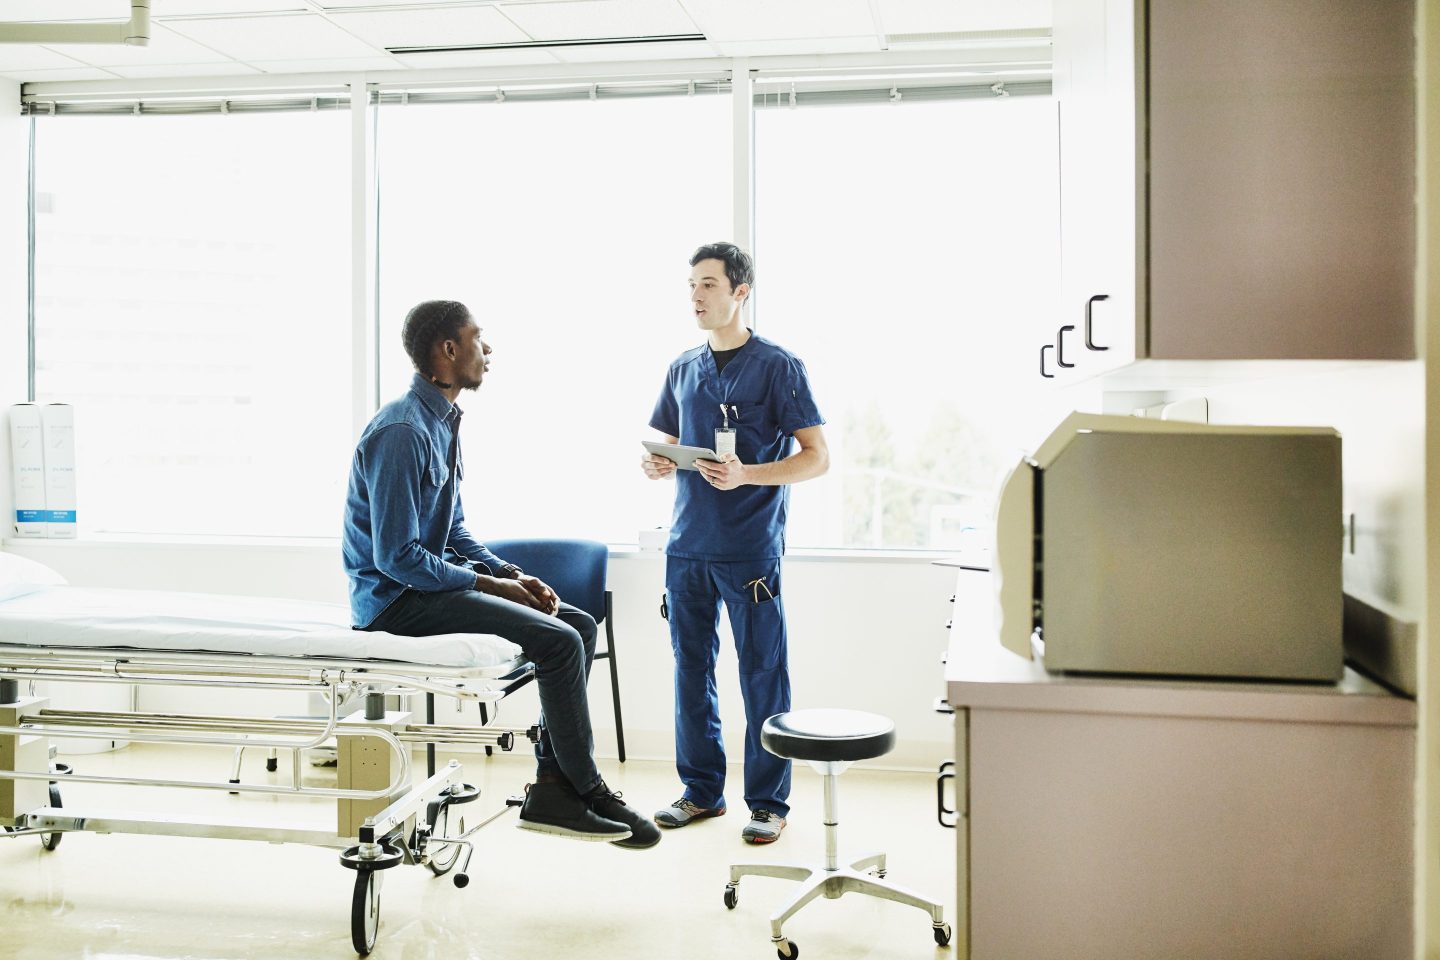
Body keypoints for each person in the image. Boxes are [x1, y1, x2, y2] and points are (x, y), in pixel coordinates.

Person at [344, 299, 658, 849]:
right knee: (559, 644)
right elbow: (398, 558)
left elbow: (455, 534)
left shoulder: (441, 422)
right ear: (447, 350)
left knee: (576, 624)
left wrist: (512, 574)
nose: (486, 350)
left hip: (423, 588)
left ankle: (553, 788)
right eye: (476, 338)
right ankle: (587, 788)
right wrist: (491, 586)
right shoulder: (402, 431)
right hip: (395, 602)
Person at [642, 243, 829, 844]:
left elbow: (816, 458)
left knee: (762, 673)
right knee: (690, 671)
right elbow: (665, 440)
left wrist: (749, 473)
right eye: (691, 286)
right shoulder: (681, 368)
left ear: (740, 291)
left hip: (750, 549)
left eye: (708, 285)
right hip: (687, 549)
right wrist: (658, 464)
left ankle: (769, 802)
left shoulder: (779, 366)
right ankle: (701, 792)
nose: (696, 296)